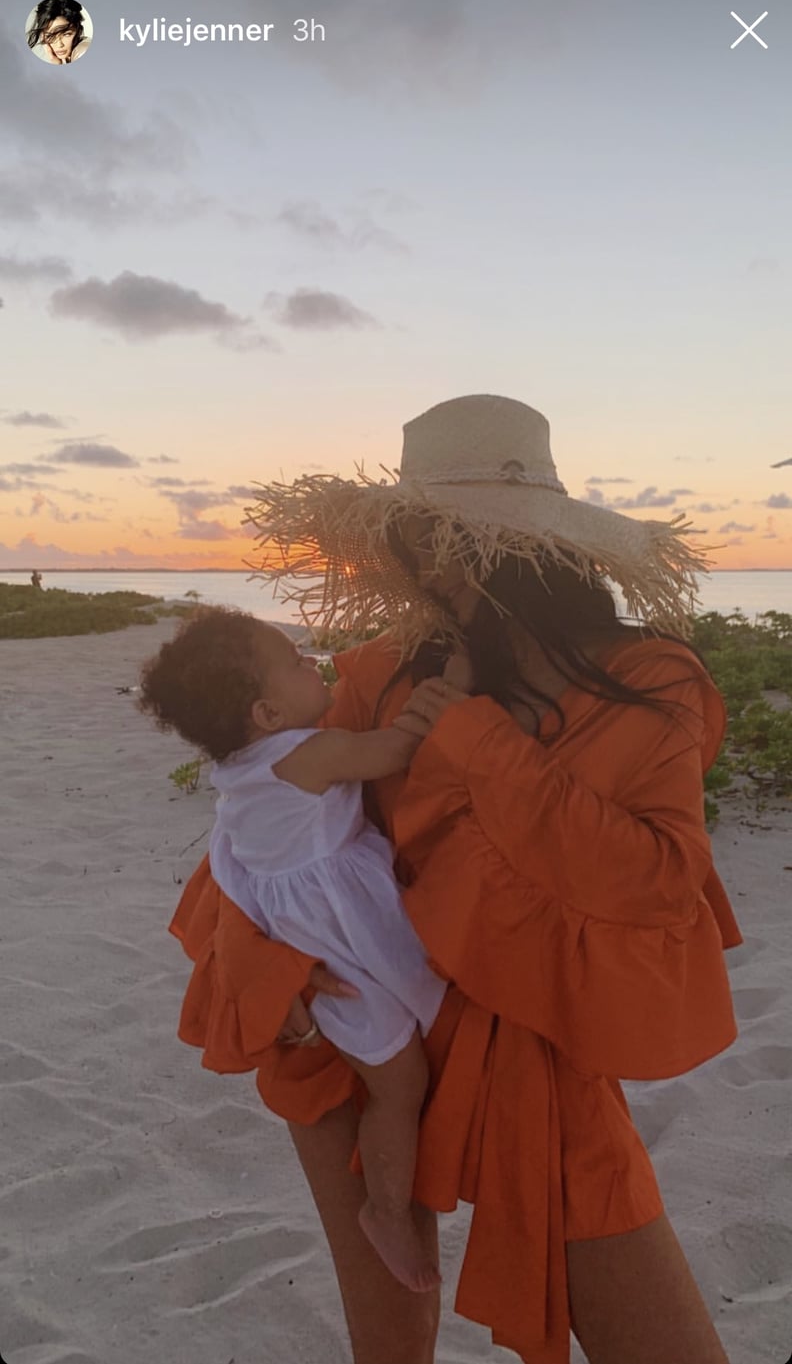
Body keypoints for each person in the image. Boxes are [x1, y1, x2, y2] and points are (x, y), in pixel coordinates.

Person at [168, 394, 742, 1364]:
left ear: (510, 544)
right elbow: (264, 820)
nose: (418, 559)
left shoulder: (650, 680)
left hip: (532, 1046)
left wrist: (476, 738)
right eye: (411, 536)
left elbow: (658, 881)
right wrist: (279, 975)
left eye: (433, 534)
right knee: (387, 1323)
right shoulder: (385, 669)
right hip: (355, 1024)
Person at [139, 610, 457, 1293]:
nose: (315, 661)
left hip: (315, 954)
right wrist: (428, 707)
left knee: (397, 1082)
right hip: (346, 950)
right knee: (400, 1087)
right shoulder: (312, 752)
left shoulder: (238, 772)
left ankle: (390, 1205)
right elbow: (395, 749)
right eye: (296, 660)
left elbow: (238, 864)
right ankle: (387, 1209)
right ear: (267, 709)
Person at [26, 0, 90, 65]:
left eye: (67, 34)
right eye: (50, 35)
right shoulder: (69, 58)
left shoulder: (82, 51)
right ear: (43, 36)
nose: (59, 45)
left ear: (78, 30)